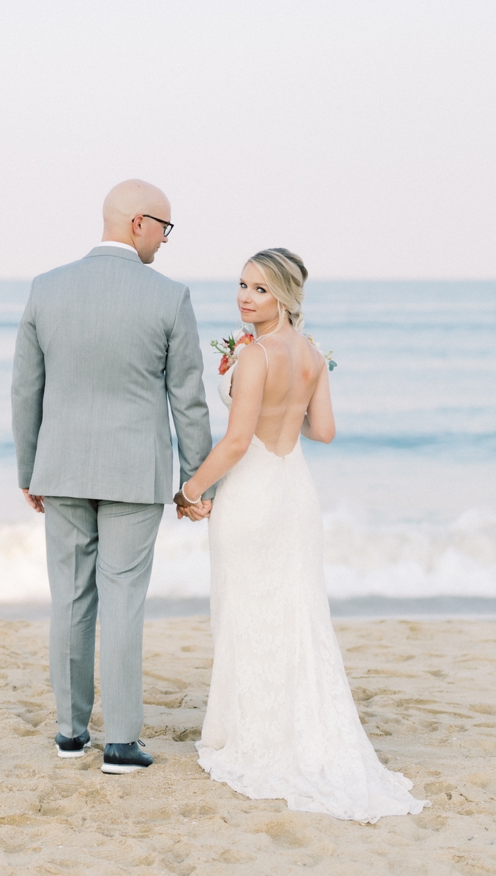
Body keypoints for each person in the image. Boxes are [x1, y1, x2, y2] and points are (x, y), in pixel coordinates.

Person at [175, 248, 428, 822]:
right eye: (241, 284)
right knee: (294, 610)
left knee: (247, 608)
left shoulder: (259, 355)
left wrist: (191, 490)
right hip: (294, 490)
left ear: (285, 297)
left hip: (254, 491)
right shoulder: (312, 355)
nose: (244, 296)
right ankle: (292, 727)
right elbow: (326, 431)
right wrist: (288, 413)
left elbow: (237, 443)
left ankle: (255, 736)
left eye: (260, 289)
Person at [11, 179, 213, 775]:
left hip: (63, 467)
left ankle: (71, 734)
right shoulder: (169, 298)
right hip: (134, 473)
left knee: (70, 599)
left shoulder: (46, 290)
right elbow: (189, 401)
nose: (166, 240)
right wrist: (196, 482)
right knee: (123, 600)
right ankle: (121, 742)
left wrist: (29, 469)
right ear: (137, 223)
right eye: (165, 228)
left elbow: (26, 390)